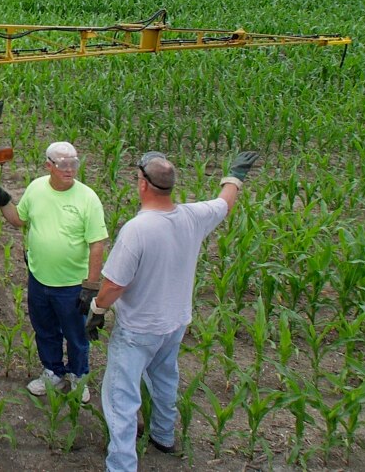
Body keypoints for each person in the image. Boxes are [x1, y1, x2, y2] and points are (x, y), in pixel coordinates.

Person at [86, 150, 259, 472]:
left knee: (121, 398)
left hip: (138, 329)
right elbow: (225, 203)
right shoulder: (193, 216)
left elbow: (113, 285)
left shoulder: (137, 230)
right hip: (175, 323)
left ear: (142, 184)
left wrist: (96, 309)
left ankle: (121, 465)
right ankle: (164, 436)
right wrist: (236, 175)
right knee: (165, 380)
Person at [0, 141, 108, 402]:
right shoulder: (36, 189)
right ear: (48, 166)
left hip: (72, 284)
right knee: (45, 330)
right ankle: (53, 371)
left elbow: (97, 245)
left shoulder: (88, 199)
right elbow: (19, 219)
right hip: (39, 279)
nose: (70, 169)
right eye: (63, 164)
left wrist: (91, 286)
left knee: (76, 335)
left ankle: (78, 376)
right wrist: (1, 199)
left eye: (73, 163)